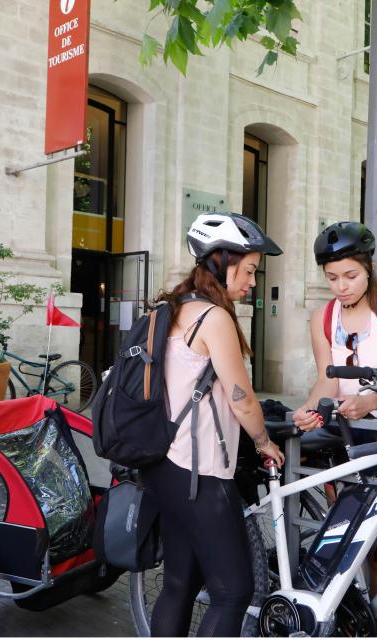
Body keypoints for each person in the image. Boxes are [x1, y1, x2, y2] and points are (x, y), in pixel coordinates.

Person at [142, 212, 285, 637]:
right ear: (223, 260)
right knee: (233, 592)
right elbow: (242, 400)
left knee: (179, 585)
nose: (253, 282)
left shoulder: (172, 308)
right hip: (199, 472)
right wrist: (264, 442)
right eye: (251, 270)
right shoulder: (214, 318)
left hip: (163, 464)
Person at [292, 220, 377, 599]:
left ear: (370, 270)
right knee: (349, 533)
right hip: (344, 437)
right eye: (332, 278)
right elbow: (326, 380)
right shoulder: (323, 317)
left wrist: (372, 401)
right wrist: (308, 408)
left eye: (350, 276)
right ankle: (349, 610)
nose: (341, 286)